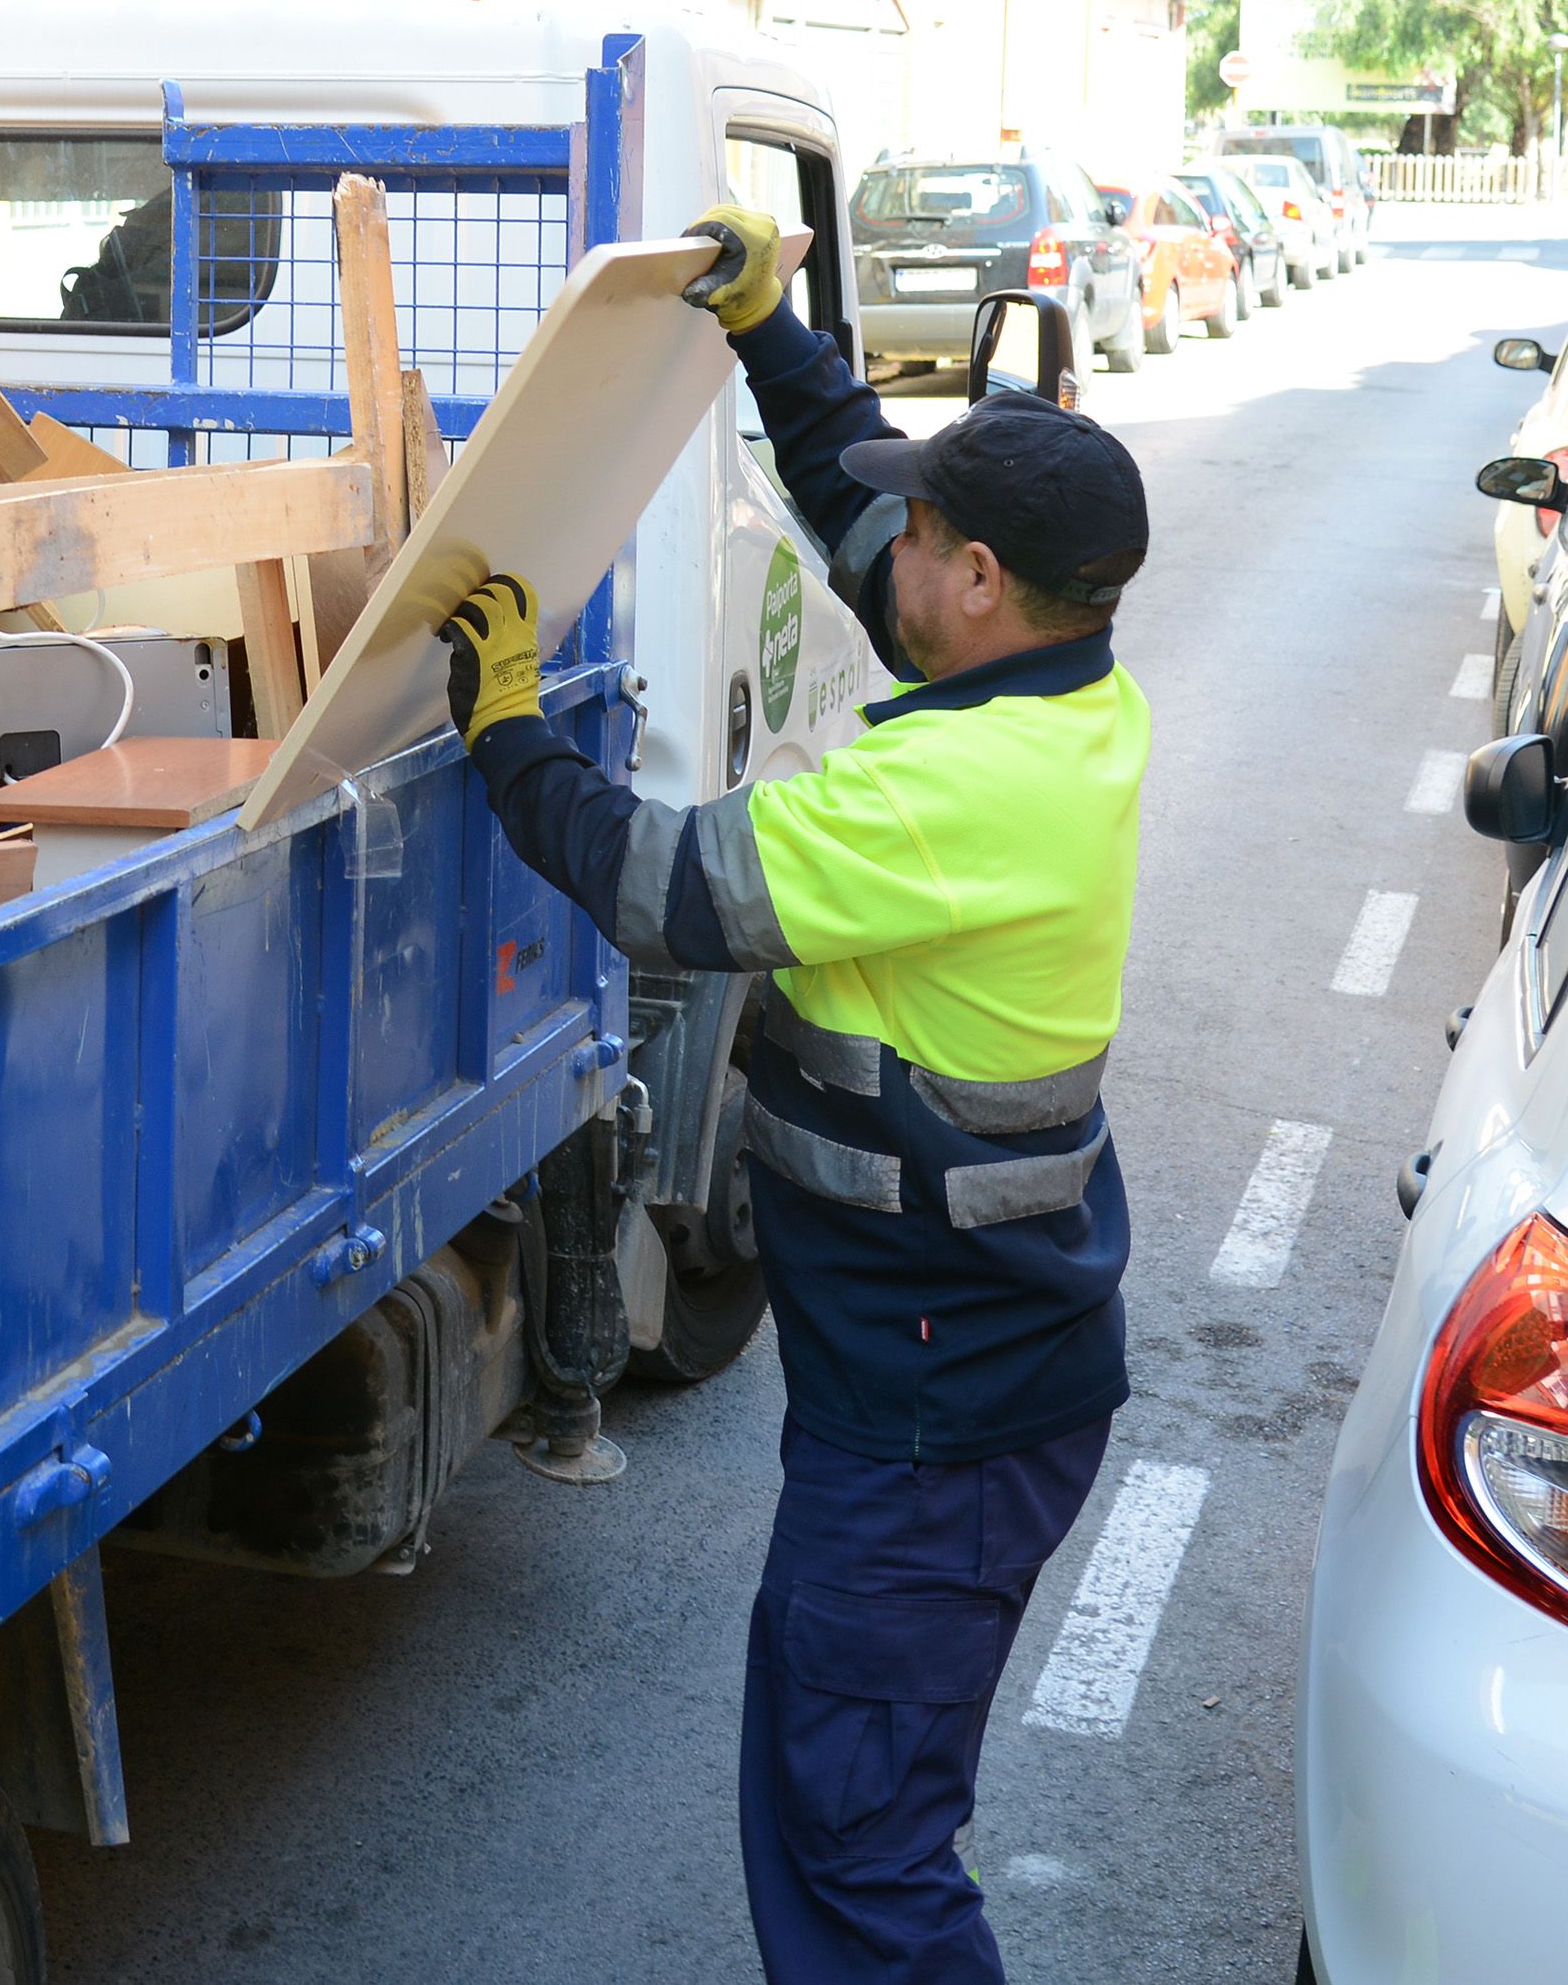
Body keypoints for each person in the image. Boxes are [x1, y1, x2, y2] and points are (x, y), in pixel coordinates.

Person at [436, 205, 1152, 1985]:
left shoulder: (955, 796)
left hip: (939, 1415)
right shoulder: (1067, 694)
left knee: (863, 1843)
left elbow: (664, 884)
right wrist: (773, 330)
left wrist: (508, 730)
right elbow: (857, 514)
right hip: (944, 1382)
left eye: (924, 529)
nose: (882, 541)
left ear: (979, 579)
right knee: (826, 1785)